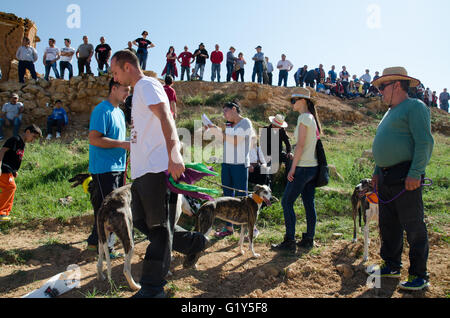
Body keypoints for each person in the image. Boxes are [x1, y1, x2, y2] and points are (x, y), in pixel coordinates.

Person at [110, 50, 208, 298]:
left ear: (127, 67)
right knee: (145, 223)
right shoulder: (139, 92)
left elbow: (166, 115)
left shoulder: (146, 84)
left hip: (158, 169)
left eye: (115, 71)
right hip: (142, 172)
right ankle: (195, 242)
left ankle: (153, 288)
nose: (114, 76)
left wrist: (174, 152)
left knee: (159, 229)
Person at [368, 66, 434, 291]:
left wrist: (415, 173)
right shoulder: (389, 112)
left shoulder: (414, 107)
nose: (380, 92)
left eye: (382, 87)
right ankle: (392, 264)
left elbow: (424, 142)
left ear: (397, 85)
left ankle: (419, 275)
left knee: (413, 224)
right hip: (387, 176)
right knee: (388, 224)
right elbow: (384, 145)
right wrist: (377, 171)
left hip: (406, 174)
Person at [85, 78, 131, 258]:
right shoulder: (101, 110)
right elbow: (94, 139)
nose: (128, 93)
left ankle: (94, 242)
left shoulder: (119, 112)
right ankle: (106, 248)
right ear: (114, 88)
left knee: (103, 208)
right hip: (104, 168)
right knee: (111, 210)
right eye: (125, 89)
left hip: (117, 167)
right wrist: (122, 144)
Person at [271, 87, 321, 252]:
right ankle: (308, 238)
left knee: (286, 202)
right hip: (312, 167)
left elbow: (300, 145)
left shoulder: (303, 118)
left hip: (302, 168)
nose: (292, 103)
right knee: (308, 203)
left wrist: (292, 168)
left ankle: (290, 240)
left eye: (294, 100)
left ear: (303, 101)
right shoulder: (311, 118)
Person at [207, 102, 253, 238]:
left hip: (239, 164)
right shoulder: (228, 125)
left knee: (242, 198)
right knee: (226, 197)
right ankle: (228, 228)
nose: (224, 115)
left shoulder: (245, 122)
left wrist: (218, 131)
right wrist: (214, 131)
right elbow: (226, 142)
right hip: (226, 163)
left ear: (234, 109)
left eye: (225, 111)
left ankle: (250, 228)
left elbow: (235, 141)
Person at [0, 124, 42, 222]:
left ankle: (5, 213)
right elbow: (2, 151)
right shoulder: (15, 140)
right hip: (4, 169)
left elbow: (13, 157)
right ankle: (1, 213)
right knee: (10, 187)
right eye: (34, 137)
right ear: (27, 132)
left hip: (10, 170)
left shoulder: (22, 143)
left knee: (11, 188)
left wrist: (14, 171)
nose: (33, 140)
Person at [260, 114, 293, 187]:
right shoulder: (265, 130)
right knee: (270, 167)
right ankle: (268, 186)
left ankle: (287, 182)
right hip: (268, 154)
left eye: (279, 126)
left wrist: (289, 152)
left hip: (278, 153)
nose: (278, 128)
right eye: (276, 126)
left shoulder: (282, 131)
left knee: (290, 158)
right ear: (272, 124)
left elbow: (287, 143)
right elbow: (262, 145)